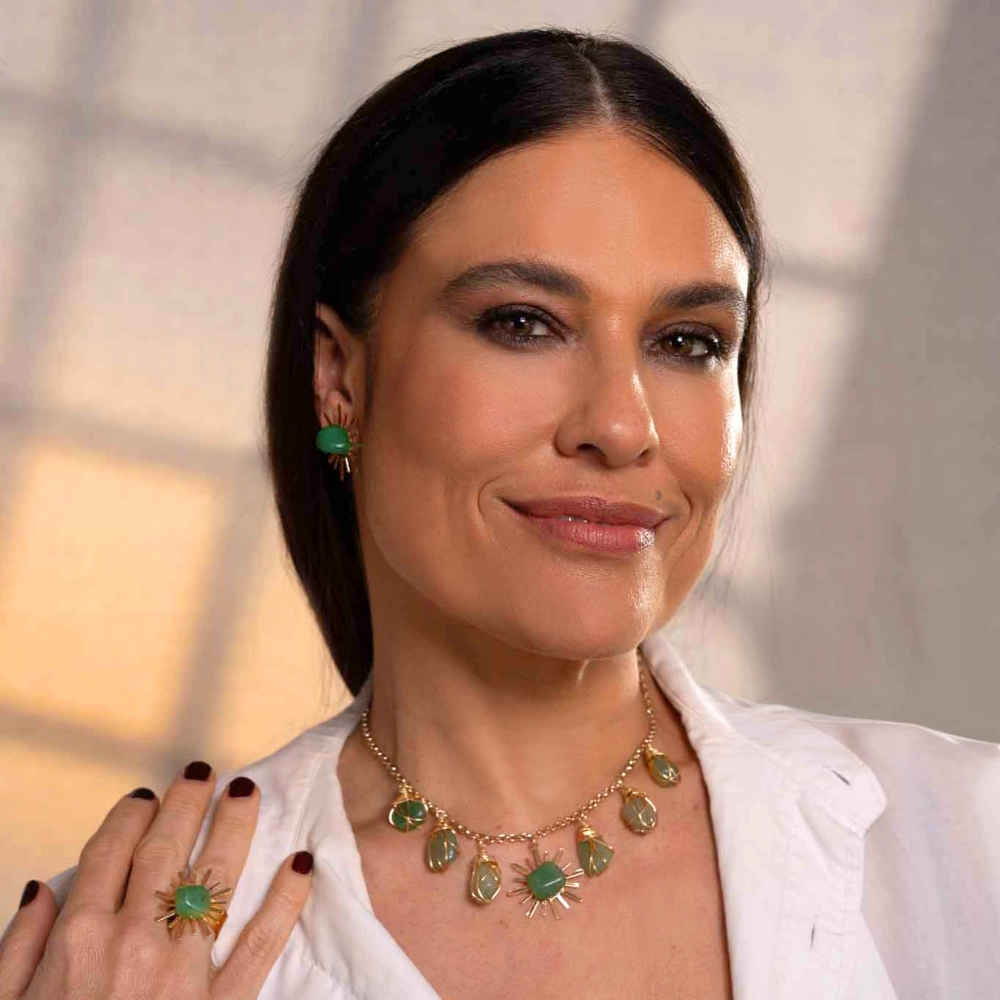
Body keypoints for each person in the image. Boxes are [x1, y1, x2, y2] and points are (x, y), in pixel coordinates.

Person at [1, 26, 998, 1000]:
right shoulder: (116, 954)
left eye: (688, 342)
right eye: (522, 323)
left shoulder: (968, 838)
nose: (621, 424)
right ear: (339, 375)